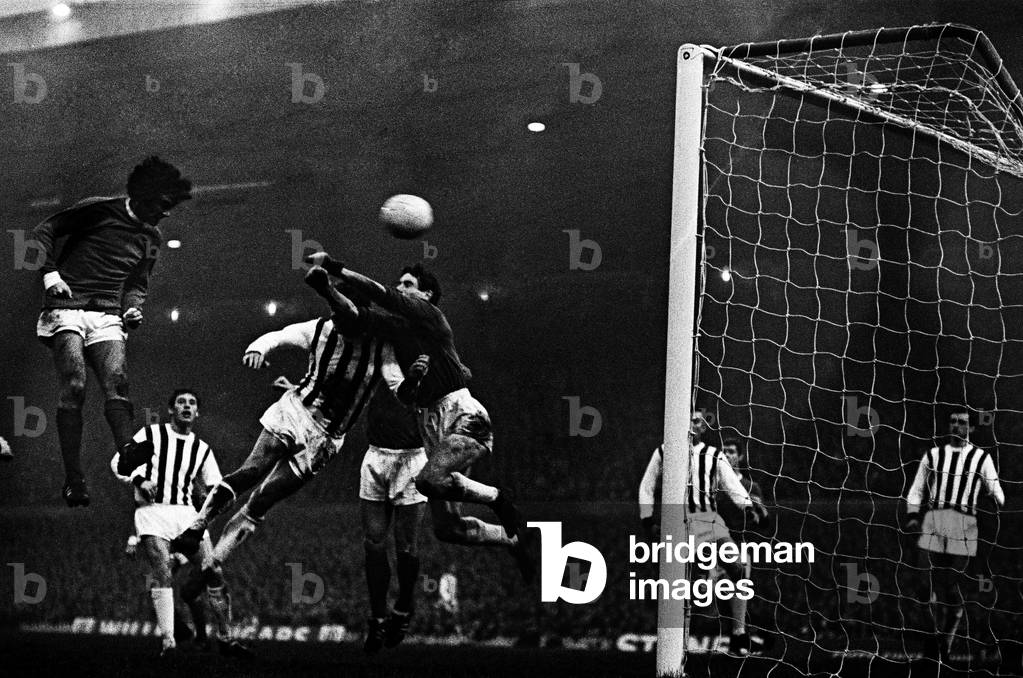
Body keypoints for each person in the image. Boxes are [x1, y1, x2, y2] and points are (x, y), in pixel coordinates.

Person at [169, 268, 415, 576]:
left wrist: (413, 380)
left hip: (325, 438)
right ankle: (197, 526)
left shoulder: (381, 346)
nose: (338, 321)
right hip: (295, 411)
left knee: (264, 499)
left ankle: (213, 563)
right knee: (252, 470)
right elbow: (280, 336)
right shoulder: (321, 329)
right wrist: (258, 347)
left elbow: (398, 386)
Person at [301, 256, 534, 581]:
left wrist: (335, 267)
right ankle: (514, 539)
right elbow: (353, 318)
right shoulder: (395, 332)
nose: (401, 288)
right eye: (401, 283)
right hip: (430, 426)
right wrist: (327, 291)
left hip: (462, 416)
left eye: (408, 284)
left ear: (427, 295)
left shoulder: (431, 316)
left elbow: (384, 295)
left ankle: (499, 499)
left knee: (427, 481)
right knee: (449, 529)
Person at [34, 156, 192, 506]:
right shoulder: (99, 210)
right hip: (68, 306)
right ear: (143, 196)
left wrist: (134, 307)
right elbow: (44, 230)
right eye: (163, 205)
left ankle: (127, 450)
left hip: (106, 313)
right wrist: (51, 273)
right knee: (75, 383)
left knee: (117, 380)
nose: (166, 214)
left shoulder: (152, 237)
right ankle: (74, 480)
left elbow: (138, 282)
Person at [111, 388, 245, 657]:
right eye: (181, 402)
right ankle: (169, 642)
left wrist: (211, 499)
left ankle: (227, 639)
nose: (187, 406)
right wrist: (139, 479)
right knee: (162, 573)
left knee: (212, 570)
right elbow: (117, 461)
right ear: (171, 409)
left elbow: (214, 487)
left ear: (197, 412)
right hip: (153, 511)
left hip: (186, 515)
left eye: (192, 403)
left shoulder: (202, 449)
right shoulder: (151, 434)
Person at [637, 409, 762, 655]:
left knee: (738, 567)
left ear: (704, 427)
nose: (692, 424)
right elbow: (647, 485)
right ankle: (678, 639)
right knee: (689, 587)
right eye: (688, 420)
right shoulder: (664, 450)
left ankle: (738, 634)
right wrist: (647, 518)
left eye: (697, 421)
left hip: (709, 519)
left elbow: (732, 484)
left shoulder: (714, 454)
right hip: (679, 522)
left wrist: (749, 507)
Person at [905, 409, 1005, 661]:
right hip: (935, 519)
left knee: (951, 590)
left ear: (970, 428)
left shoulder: (982, 458)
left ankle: (944, 645)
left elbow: (999, 494)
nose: (956, 426)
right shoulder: (934, 455)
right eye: (952, 421)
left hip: (964, 524)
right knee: (923, 588)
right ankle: (930, 642)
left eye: (962, 422)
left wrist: (990, 494)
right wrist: (913, 516)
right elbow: (916, 489)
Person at [360, 379, 429, 654]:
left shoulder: (428, 354)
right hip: (376, 455)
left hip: (412, 458)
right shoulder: (377, 354)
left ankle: (403, 607)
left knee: (406, 546)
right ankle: (377, 618)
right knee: (373, 543)